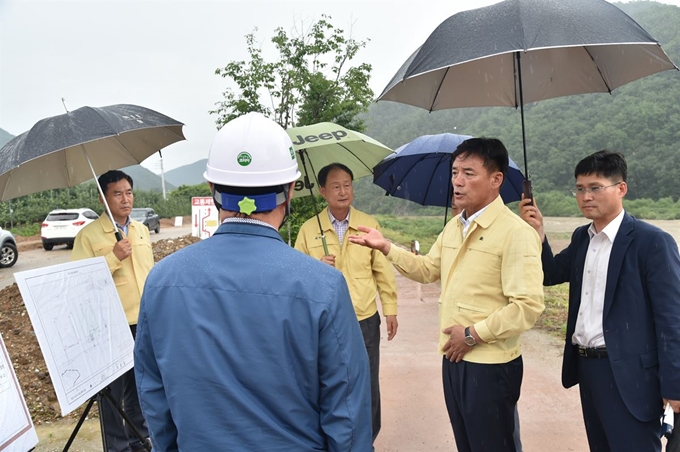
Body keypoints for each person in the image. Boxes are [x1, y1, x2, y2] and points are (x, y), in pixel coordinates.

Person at [133, 112, 372, 451]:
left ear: (213, 189)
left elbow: (154, 395)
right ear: (290, 190)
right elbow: (347, 414)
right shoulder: (324, 286)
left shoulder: (161, 281)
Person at [348, 138, 545, 452]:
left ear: (496, 180)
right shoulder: (455, 227)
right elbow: (427, 269)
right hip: (454, 357)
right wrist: (386, 247)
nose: (457, 181)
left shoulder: (516, 233)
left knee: (494, 445)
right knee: (467, 444)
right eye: (455, 172)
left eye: (469, 173)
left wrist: (471, 334)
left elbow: (528, 307)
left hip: (491, 364)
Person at [519, 150, 680, 452]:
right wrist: (538, 235)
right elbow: (550, 274)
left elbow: (671, 318)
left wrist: (675, 386)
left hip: (631, 376)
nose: (585, 196)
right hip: (588, 369)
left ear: (621, 189)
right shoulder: (583, 237)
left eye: (595, 187)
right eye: (580, 189)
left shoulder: (651, 242)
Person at [294, 162, 398, 443]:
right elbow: (295, 274)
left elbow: (383, 271)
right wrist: (316, 265)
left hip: (364, 317)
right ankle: (332, 439)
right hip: (324, 320)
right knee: (328, 381)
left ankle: (368, 439)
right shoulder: (308, 230)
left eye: (348, 185)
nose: (343, 191)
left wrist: (390, 309)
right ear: (323, 191)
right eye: (336, 186)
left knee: (367, 382)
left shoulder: (368, 225)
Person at [71, 170, 152, 452]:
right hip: (110, 324)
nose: (125, 199)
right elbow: (80, 282)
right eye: (117, 193)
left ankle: (139, 439)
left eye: (128, 192)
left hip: (143, 321)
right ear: (103, 198)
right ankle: (117, 446)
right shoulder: (89, 236)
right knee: (113, 394)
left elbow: (147, 274)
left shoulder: (141, 230)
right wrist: (113, 257)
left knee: (142, 387)